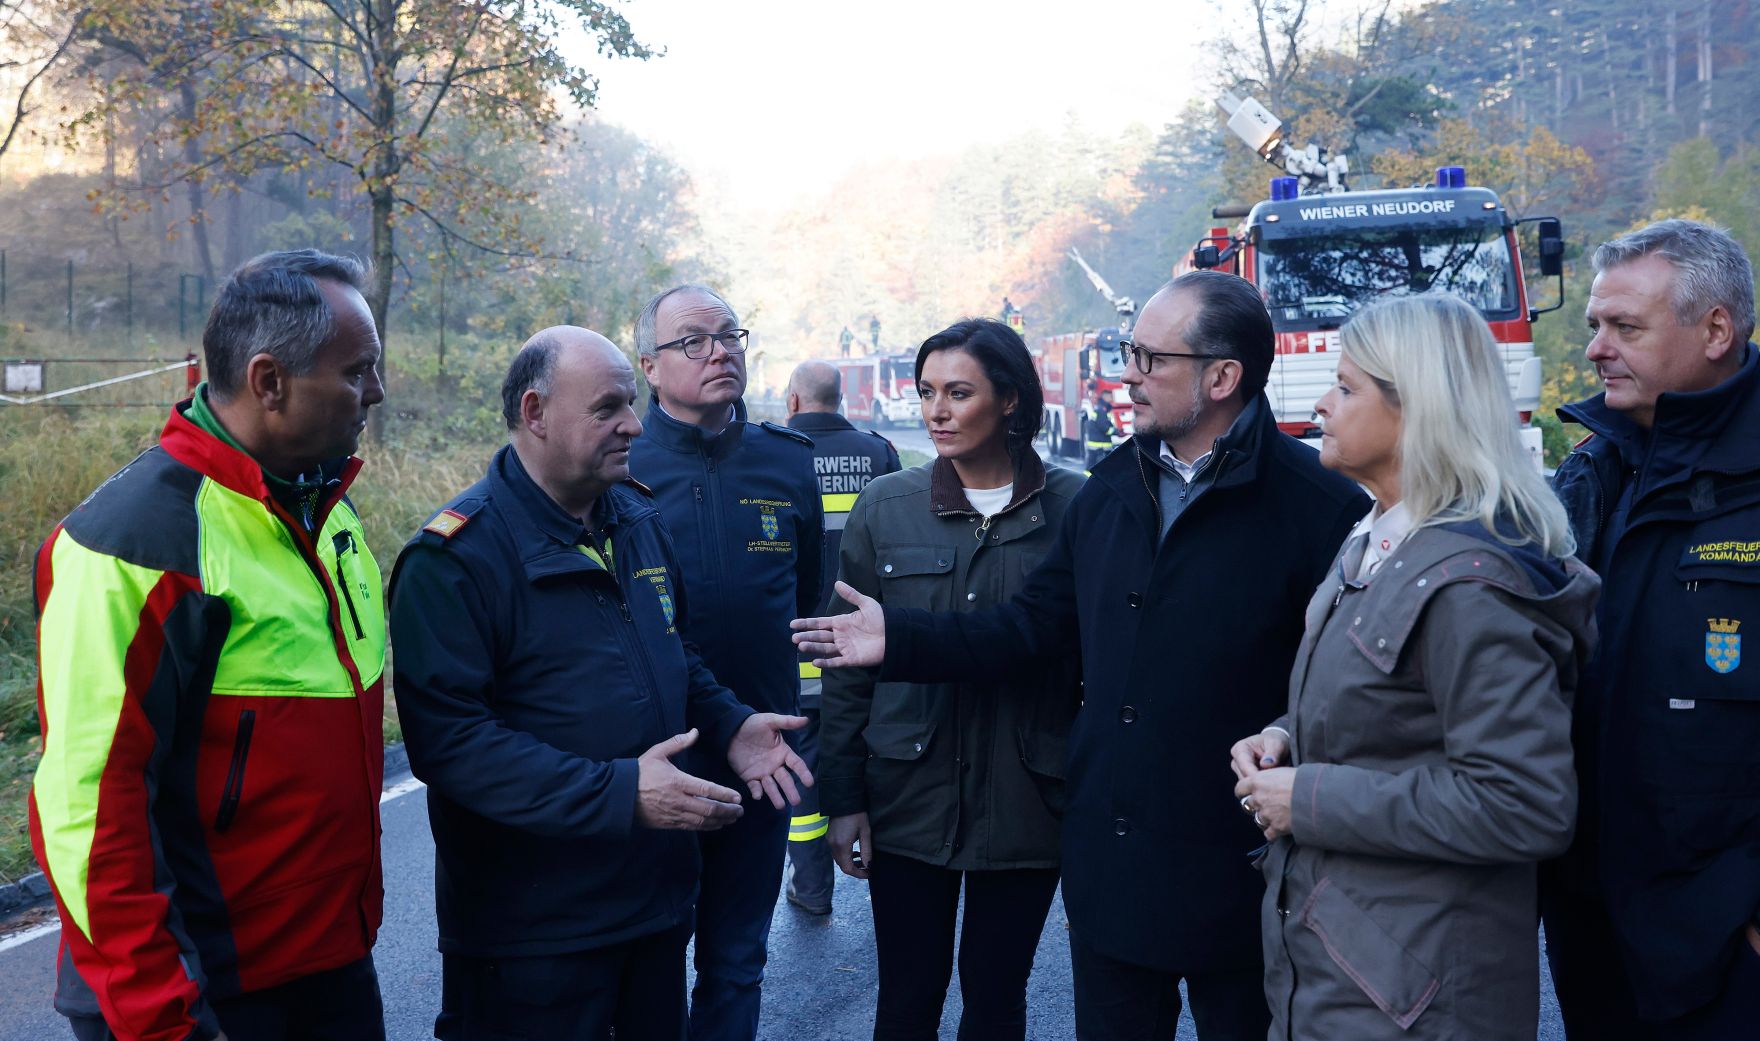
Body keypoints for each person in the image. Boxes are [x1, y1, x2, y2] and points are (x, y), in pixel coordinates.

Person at [795, 271, 1369, 1040]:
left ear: (1222, 377)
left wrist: (1291, 745)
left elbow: (1341, 689)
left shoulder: (1321, 506)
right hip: (1115, 871)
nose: (1127, 374)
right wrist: (898, 637)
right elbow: (1026, 628)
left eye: (1149, 359)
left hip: (1241, 864)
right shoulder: (1112, 490)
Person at [387, 328, 813, 1041]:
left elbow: (674, 652)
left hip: (651, 909)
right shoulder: (455, 559)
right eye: (610, 407)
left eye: (631, 403)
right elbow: (450, 744)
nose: (635, 425)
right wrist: (620, 793)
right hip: (532, 939)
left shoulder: (634, 518)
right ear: (535, 412)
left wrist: (731, 722)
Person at [29, 249, 390, 1041]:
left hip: (329, 968)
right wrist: (162, 1017)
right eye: (358, 370)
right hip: (202, 994)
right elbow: (88, 810)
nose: (376, 391)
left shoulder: (325, 504)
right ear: (270, 382)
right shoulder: (132, 543)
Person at [1229, 293, 1597, 1039]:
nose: (1322, 403)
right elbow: (1398, 708)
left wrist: (1311, 796)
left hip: (1416, 997)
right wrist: (1287, 735)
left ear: (1414, 409)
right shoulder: (1375, 541)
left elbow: (1522, 801)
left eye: (1346, 386)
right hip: (1349, 973)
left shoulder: (1470, 585)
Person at [818, 318, 1083, 1041]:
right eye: (927, 391)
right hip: (907, 794)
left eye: (958, 392)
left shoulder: (1078, 508)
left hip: (1030, 796)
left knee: (996, 1000)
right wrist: (843, 799)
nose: (936, 410)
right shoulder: (885, 506)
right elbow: (846, 671)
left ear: (1009, 400)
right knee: (906, 998)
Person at [1542, 218, 1760, 1039]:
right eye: (1596, 324)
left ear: (1715, 330)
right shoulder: (1590, 471)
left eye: (1624, 327)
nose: (1596, 348)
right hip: (1591, 921)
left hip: (1725, 940)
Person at [629, 286, 824, 1041]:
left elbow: (800, 597)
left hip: (763, 755)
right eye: (694, 341)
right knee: (646, 957)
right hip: (652, 757)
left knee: (738, 958)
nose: (720, 351)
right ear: (648, 365)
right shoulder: (619, 461)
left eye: (730, 335)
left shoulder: (785, 462)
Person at [782, 359, 902, 916]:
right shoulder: (879, 453)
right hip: (866, 647)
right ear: (840, 399)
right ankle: (887, 878)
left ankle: (811, 889)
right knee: (869, 754)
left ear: (793, 401)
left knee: (802, 768)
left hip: (799, 648)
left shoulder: (774, 456)